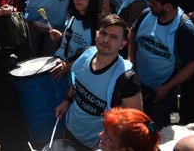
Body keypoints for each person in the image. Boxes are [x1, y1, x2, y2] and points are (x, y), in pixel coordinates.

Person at [55, 15, 142, 150]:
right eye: (103, 33)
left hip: (94, 144)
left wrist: (104, 146)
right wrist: (67, 100)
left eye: (114, 37)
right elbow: (77, 79)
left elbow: (134, 123)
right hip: (70, 129)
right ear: (96, 35)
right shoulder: (86, 53)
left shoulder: (126, 79)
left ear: (122, 45)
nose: (106, 39)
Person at [129, 0, 194, 129]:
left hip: (160, 92)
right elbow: (132, 31)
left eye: (154, 3)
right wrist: (131, 57)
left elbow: (192, 66)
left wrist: (166, 87)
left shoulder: (185, 30)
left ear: (167, 6)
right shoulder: (147, 14)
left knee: (153, 129)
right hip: (137, 83)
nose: (149, 5)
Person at [49, 0, 102, 78]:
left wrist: (69, 66)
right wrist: (62, 36)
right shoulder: (74, 15)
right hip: (58, 65)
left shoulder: (97, 24)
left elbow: (96, 55)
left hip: (76, 75)